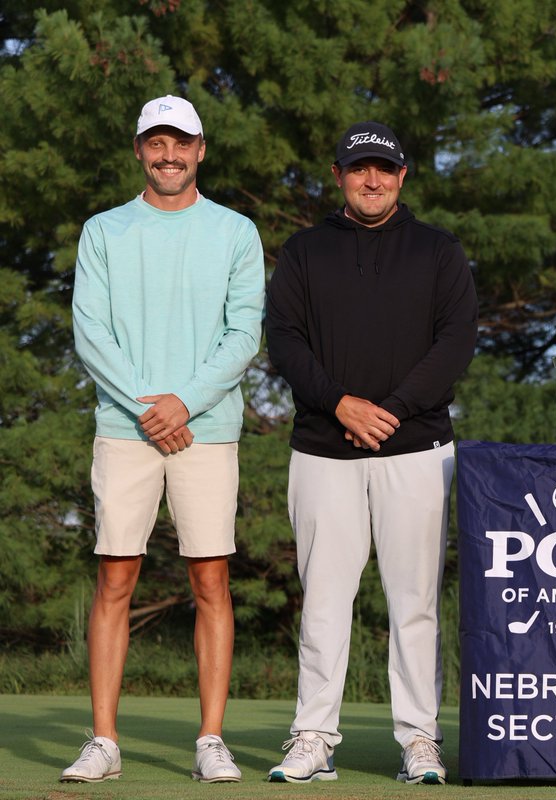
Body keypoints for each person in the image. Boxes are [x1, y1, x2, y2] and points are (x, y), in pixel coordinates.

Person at [264, 121, 477, 785]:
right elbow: (286, 343)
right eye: (359, 169)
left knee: (413, 602)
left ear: (403, 175)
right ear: (339, 176)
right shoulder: (304, 252)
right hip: (324, 450)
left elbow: (456, 343)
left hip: (415, 450)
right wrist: (342, 405)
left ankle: (419, 739)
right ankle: (313, 739)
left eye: (384, 168)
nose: (372, 179)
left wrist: (390, 411)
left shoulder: (439, 252)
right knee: (324, 601)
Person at [65, 94, 264, 783]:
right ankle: (104, 741)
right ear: (139, 149)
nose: (169, 156)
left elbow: (243, 334)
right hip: (126, 431)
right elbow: (91, 332)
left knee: (210, 577)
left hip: (206, 432)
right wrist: (151, 406)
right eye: (156, 143)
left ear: (201, 150)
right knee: (115, 575)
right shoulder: (105, 231)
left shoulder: (236, 231)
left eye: (181, 144)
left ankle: (211, 739)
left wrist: (184, 403)